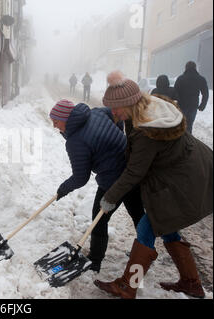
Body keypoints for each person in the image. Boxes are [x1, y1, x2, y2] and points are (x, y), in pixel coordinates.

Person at [94, 71, 213, 299]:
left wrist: (110, 197)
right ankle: (192, 283)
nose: (113, 112)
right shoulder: (144, 109)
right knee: (166, 226)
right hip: (190, 168)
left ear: (128, 103)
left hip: (187, 179)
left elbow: (135, 172)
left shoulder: (147, 130)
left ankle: (129, 285)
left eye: (116, 107)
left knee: (146, 229)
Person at [50, 99, 145, 273]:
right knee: (138, 213)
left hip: (113, 179)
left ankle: (95, 260)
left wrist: (63, 189)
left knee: (99, 218)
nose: (55, 126)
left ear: (65, 118)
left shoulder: (75, 142)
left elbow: (81, 177)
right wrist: (118, 139)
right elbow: (113, 114)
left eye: (56, 121)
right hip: (132, 168)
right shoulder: (95, 113)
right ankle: (145, 252)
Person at [174, 61, 209, 133]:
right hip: (193, 105)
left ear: (186, 68)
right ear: (195, 68)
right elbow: (205, 93)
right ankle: (188, 142)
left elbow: (175, 91)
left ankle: (181, 141)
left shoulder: (181, 78)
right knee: (189, 125)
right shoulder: (201, 79)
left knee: (181, 125)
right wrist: (202, 105)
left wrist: (178, 101)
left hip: (182, 105)